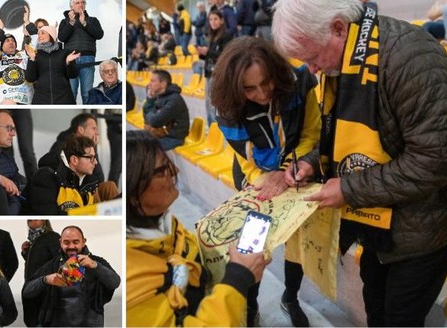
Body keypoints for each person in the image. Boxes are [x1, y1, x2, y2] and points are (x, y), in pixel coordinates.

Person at [273, 1, 447, 325]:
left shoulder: (411, 55)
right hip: (376, 224)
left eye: (312, 57)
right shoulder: (342, 63)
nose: (312, 70)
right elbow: (340, 140)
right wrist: (311, 164)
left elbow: (437, 160)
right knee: (375, 310)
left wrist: (349, 189)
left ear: (338, 28)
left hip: (425, 227)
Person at [211, 36, 319, 326]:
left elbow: (310, 134)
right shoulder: (226, 104)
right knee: (252, 243)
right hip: (254, 177)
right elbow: (245, 157)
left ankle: (291, 297)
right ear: (235, 88)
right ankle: (249, 305)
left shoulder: (301, 82)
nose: (261, 94)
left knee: (296, 240)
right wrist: (264, 178)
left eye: (266, 83)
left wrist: (286, 171)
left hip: (297, 170)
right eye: (250, 88)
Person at [125, 130, 270, 326]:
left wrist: (228, 256)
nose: (175, 171)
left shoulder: (160, 222)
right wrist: (238, 278)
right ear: (134, 192)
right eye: (163, 170)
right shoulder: (129, 290)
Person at [22, 225, 120, 326]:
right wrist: (45, 280)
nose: (71, 246)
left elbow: (115, 282)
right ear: (60, 242)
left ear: (84, 241)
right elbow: (27, 291)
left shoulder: (96, 262)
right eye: (66, 242)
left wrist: (95, 266)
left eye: (76, 242)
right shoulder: (52, 265)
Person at [29, 135, 101, 214]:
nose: (95, 162)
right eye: (90, 158)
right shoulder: (46, 177)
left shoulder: (90, 182)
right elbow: (48, 215)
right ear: (74, 160)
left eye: (94, 157)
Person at [0, 7, 37, 105]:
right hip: (4, 104)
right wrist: (0, 28)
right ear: (0, 45)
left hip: (25, 102)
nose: (11, 42)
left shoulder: (24, 54)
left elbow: (36, 42)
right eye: (7, 41)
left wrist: (27, 22)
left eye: (13, 40)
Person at [58, 0, 105, 104]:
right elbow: (61, 38)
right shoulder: (64, 21)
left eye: (82, 2)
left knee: (87, 94)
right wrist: (70, 23)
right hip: (70, 60)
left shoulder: (92, 20)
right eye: (77, 3)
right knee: (71, 93)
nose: (80, 5)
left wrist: (85, 23)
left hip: (88, 58)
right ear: (71, 6)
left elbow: (99, 35)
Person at [25, 24, 81, 104]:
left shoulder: (64, 53)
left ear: (51, 35)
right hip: (41, 100)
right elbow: (30, 78)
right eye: (38, 34)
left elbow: (73, 75)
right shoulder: (35, 55)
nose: (39, 36)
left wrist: (69, 62)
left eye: (43, 33)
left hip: (64, 99)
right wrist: (32, 59)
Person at [21, 220, 61, 327]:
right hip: (34, 295)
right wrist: (26, 254)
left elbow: (58, 264)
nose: (32, 218)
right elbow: (37, 266)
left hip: (47, 299)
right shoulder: (33, 241)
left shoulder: (52, 238)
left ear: (44, 220)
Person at [198, 9, 233, 127]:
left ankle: (216, 129)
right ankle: (211, 128)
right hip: (209, 72)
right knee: (207, 103)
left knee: (214, 104)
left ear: (222, 20)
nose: (213, 22)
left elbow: (225, 56)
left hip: (219, 73)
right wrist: (202, 53)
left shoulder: (226, 36)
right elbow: (210, 56)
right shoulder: (210, 36)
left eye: (215, 19)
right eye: (211, 19)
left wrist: (208, 52)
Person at [46, 113, 104, 183]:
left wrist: (92, 148)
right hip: (70, 188)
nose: (97, 133)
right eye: (94, 129)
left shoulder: (87, 147)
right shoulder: (61, 146)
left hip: (85, 188)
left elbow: (100, 179)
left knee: (109, 186)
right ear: (81, 129)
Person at [143, 69, 190, 151]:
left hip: (174, 138)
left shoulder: (174, 100)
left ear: (163, 84)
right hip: (162, 135)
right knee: (136, 141)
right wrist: (150, 99)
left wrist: (151, 115)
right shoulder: (160, 96)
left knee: (143, 148)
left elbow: (155, 121)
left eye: (153, 81)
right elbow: (146, 118)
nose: (149, 84)